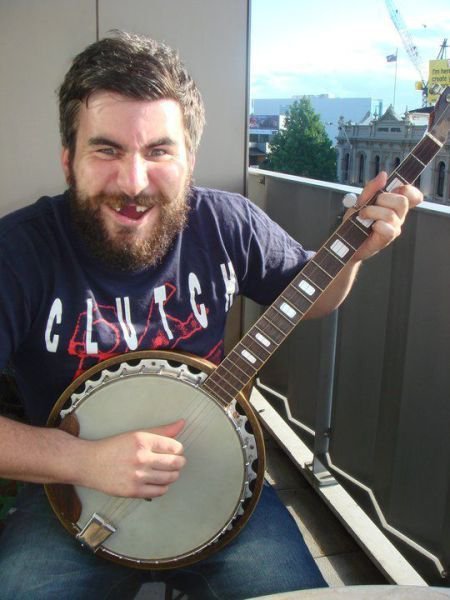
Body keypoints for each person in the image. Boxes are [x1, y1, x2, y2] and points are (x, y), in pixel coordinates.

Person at [0, 32, 422, 600]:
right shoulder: (17, 254)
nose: (133, 182)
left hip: (222, 476)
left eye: (159, 151)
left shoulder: (228, 225)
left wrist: (355, 252)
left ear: (189, 161)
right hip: (66, 489)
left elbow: (315, 298)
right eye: (106, 150)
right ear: (68, 160)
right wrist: (85, 460)